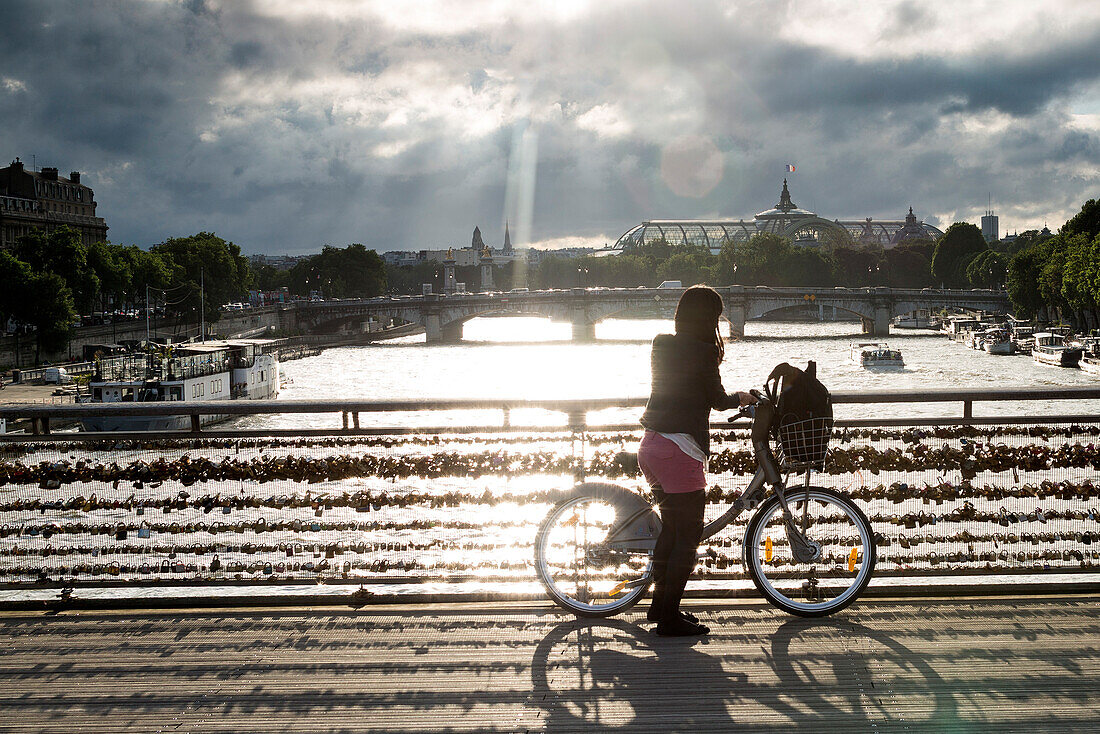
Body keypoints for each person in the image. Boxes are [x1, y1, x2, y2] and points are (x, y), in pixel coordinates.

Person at [638, 285, 755, 636]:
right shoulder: (704, 351)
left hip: (651, 445)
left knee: (672, 532)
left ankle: (661, 609)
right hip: (679, 451)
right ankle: (669, 619)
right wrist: (745, 397)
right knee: (687, 538)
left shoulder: (661, 343)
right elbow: (718, 401)